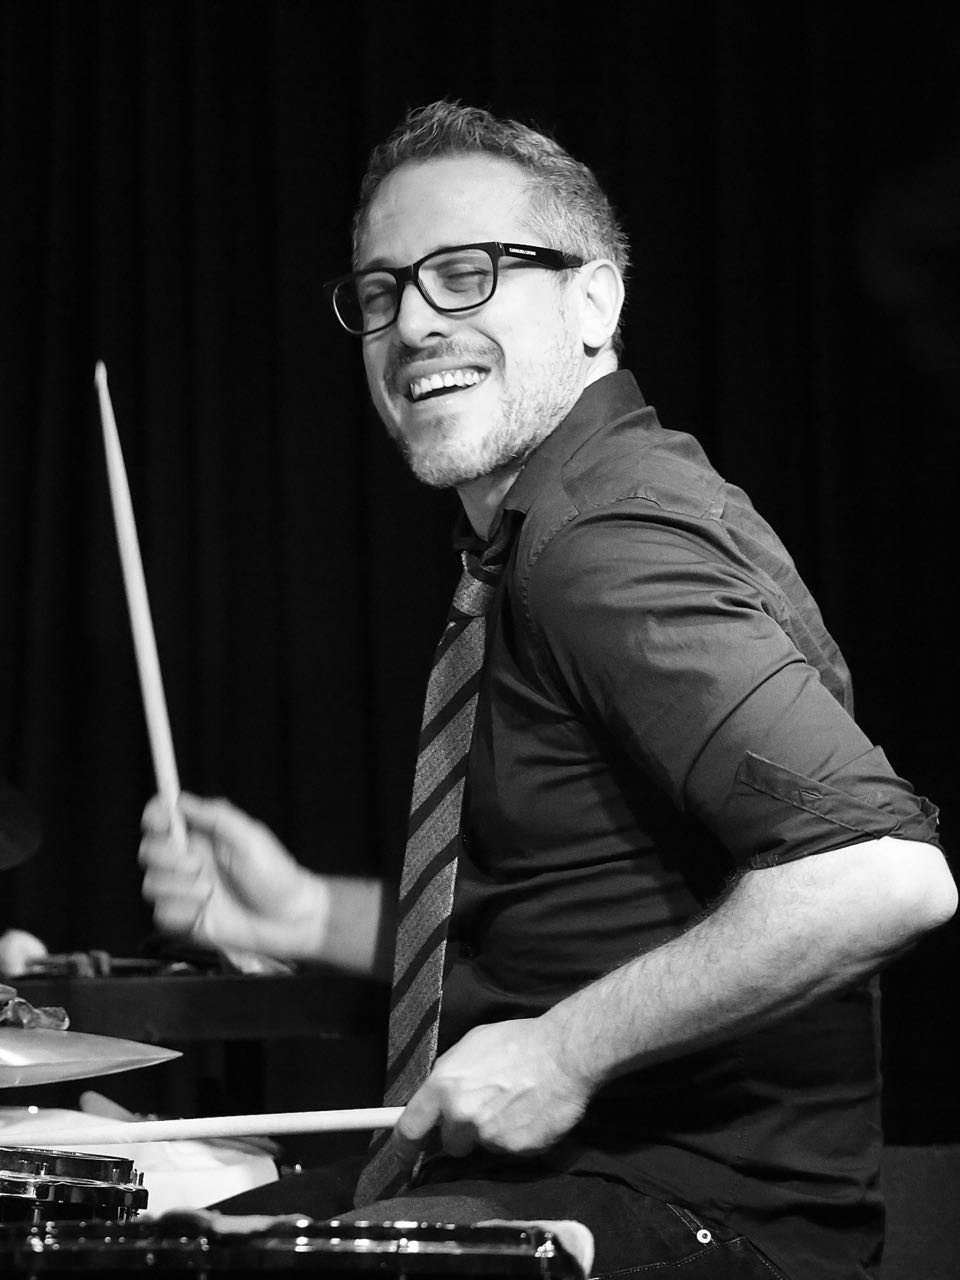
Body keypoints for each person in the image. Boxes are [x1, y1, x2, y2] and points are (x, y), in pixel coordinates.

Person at [139, 100, 956, 1280]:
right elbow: (575, 929)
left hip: (690, 1217)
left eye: (465, 273)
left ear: (595, 302)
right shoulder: (553, 529)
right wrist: (309, 914)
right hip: (592, 1189)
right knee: (162, 1219)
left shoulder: (603, 538)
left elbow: (880, 873)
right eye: (381, 291)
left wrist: (567, 1049)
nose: (415, 322)